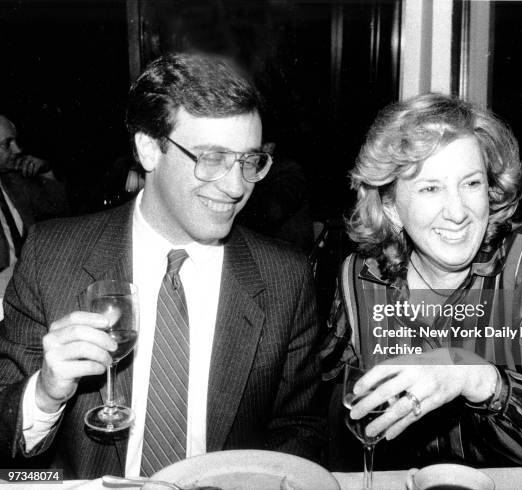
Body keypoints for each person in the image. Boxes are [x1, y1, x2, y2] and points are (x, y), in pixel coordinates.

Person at [0, 53, 324, 478]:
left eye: (249, 160)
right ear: (149, 149)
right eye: (211, 158)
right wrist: (44, 394)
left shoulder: (285, 277)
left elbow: (299, 430)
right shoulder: (52, 256)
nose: (235, 186)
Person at [321, 93, 522, 482]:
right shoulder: (359, 278)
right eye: (431, 188)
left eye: (471, 183)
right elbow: (319, 388)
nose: (457, 212)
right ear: (390, 209)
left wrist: (477, 376)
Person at [0, 116, 68, 314]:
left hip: (29, 287)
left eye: (15, 141)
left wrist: (45, 171)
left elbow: (59, 208)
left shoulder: (13, 181)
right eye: (7, 144)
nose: (18, 150)